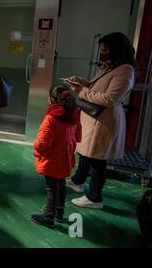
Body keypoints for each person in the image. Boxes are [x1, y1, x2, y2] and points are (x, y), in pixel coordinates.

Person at [66, 32, 136, 209]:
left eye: (105, 50)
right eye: (101, 50)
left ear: (116, 50)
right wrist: (83, 83)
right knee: (86, 152)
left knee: (97, 159)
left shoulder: (125, 70)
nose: (101, 54)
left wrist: (82, 91)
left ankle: (94, 197)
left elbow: (109, 99)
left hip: (103, 120)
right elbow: (98, 87)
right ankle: (77, 181)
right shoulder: (109, 66)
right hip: (92, 117)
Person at [31, 84, 82, 229]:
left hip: (52, 157)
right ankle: (59, 213)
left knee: (51, 187)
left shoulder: (51, 117)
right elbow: (78, 136)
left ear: (52, 100)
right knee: (61, 184)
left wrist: (36, 149)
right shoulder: (74, 114)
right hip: (66, 155)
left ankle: (48, 217)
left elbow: (43, 142)